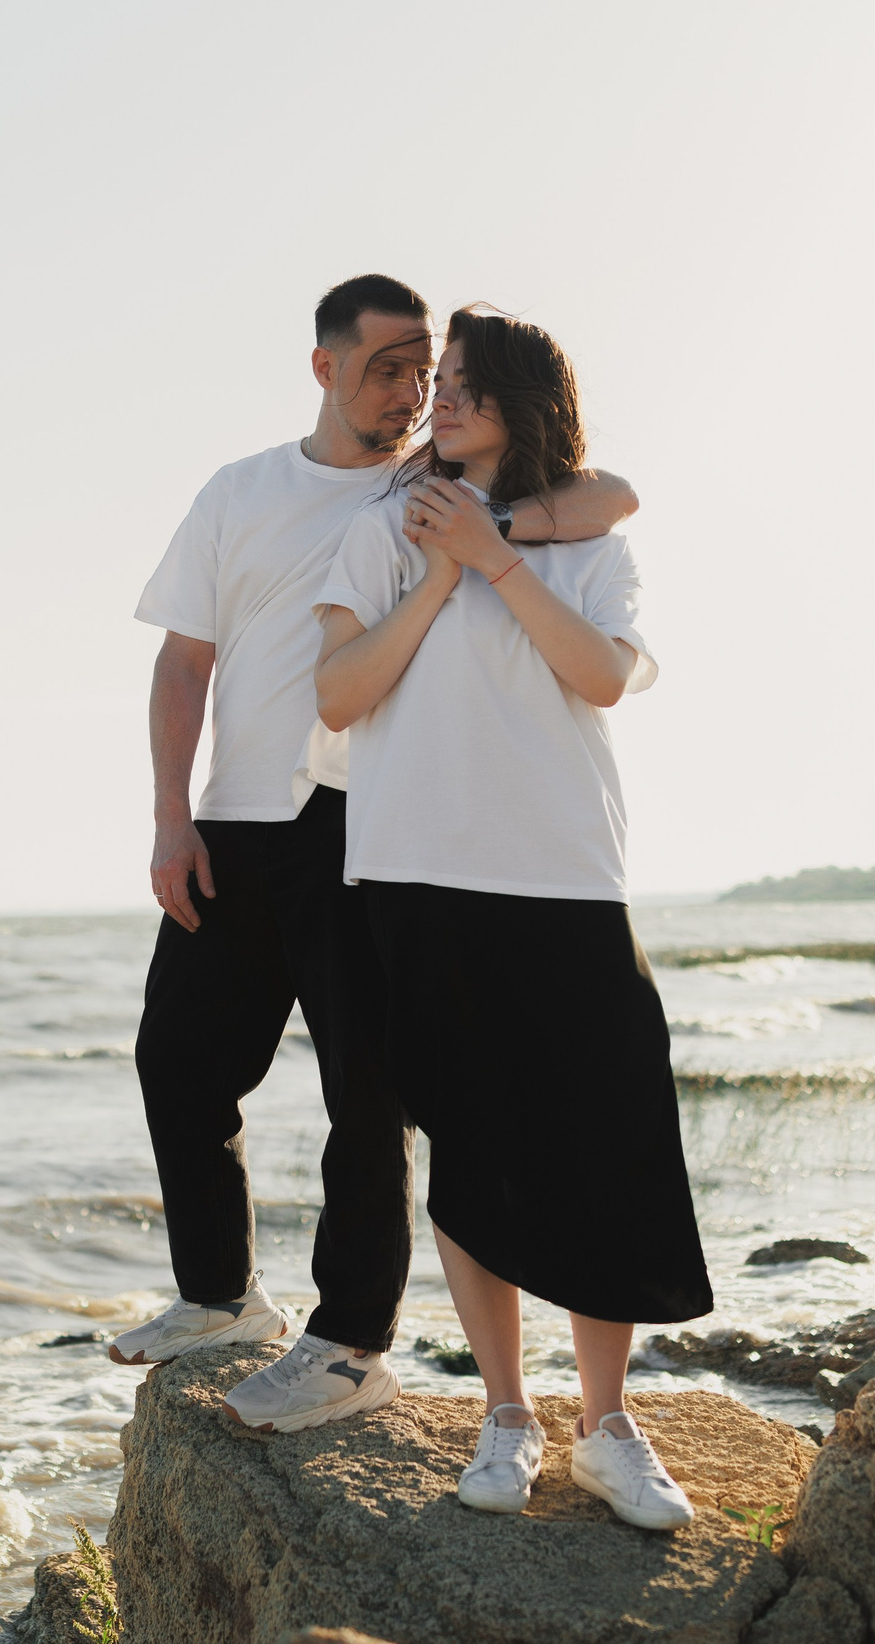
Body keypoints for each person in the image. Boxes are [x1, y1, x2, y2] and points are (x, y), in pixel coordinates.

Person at [114, 275, 641, 1436]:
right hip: (236, 818)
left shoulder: (433, 484)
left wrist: (493, 532)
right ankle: (220, 1297)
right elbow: (184, 663)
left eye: (424, 370)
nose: (411, 391)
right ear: (325, 368)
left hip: (367, 817)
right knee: (179, 1060)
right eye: (389, 368)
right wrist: (169, 814)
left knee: (365, 1092)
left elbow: (610, 493)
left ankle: (352, 1344)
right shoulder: (239, 490)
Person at [309, 305, 711, 1528]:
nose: (440, 399)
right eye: (438, 383)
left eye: (465, 384)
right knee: (471, 1149)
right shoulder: (383, 531)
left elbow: (601, 676)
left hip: (566, 874)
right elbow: (337, 695)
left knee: (607, 1141)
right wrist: (443, 571)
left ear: (524, 403)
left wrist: (495, 557)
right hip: (417, 874)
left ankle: (607, 1425)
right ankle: (505, 1415)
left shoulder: (586, 542)